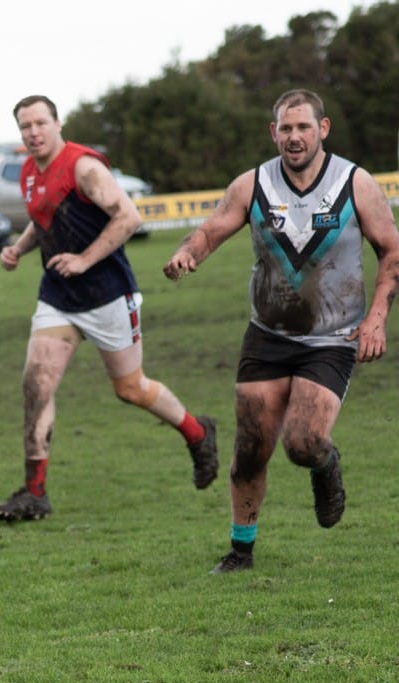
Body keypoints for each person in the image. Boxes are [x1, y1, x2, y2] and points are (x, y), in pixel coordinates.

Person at [163, 88, 399, 573]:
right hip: (268, 336)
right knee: (249, 449)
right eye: (286, 129)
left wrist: (377, 318)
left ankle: (326, 464)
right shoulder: (252, 185)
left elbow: (392, 250)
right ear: (273, 133)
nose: (294, 137)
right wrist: (189, 252)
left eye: (303, 127)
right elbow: (210, 230)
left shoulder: (355, 183)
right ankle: (240, 551)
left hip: (333, 338)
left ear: (323, 129)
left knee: (303, 443)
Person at [0, 94, 219, 522]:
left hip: (109, 295)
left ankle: (198, 432)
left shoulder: (84, 167)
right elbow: (44, 220)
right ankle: (34, 493)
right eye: (25, 127)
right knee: (37, 382)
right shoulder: (28, 172)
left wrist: (84, 259)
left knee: (130, 388)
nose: (34, 132)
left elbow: (128, 217)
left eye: (40, 123)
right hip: (58, 297)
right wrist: (18, 250)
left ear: (58, 124)